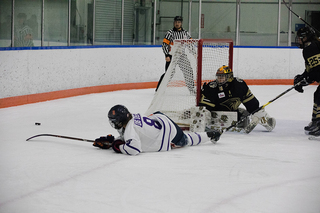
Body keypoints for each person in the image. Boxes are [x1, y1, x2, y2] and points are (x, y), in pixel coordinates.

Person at [92, 104, 221, 155]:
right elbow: (133, 135)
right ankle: (209, 134)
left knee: (186, 140)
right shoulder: (131, 120)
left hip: (169, 135)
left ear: (120, 121)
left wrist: (117, 147)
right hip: (162, 120)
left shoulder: (130, 129)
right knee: (186, 136)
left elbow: (134, 149)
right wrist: (114, 140)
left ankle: (209, 135)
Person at [199, 65, 276, 133]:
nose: (219, 79)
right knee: (203, 113)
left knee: (256, 110)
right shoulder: (211, 88)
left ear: (229, 77)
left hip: (233, 113)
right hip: (216, 115)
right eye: (218, 77)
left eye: (222, 77)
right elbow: (205, 108)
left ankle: (268, 122)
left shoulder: (239, 86)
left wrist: (256, 113)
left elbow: (252, 104)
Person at [156, 16, 194, 93]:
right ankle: (159, 90)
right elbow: (164, 45)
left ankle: (192, 90)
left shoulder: (185, 33)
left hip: (181, 55)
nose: (177, 24)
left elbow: (191, 44)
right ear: (174, 23)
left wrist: (194, 53)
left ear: (181, 23)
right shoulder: (169, 33)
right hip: (171, 56)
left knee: (188, 71)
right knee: (168, 74)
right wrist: (166, 55)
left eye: (179, 22)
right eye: (176, 22)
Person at [293, 27, 320, 136]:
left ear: (306, 38)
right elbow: (312, 69)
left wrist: (307, 80)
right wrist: (303, 77)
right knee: (317, 94)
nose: (298, 40)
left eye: (300, 38)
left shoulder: (310, 48)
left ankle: (319, 124)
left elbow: (318, 70)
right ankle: (315, 121)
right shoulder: (314, 45)